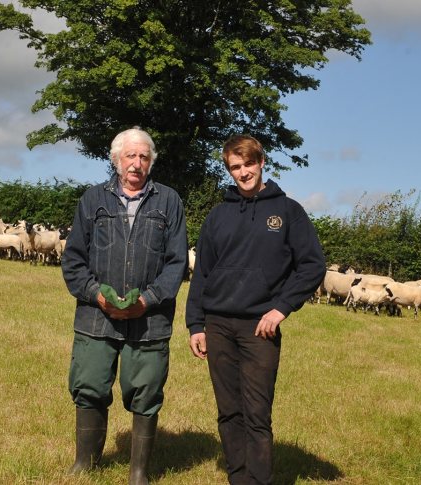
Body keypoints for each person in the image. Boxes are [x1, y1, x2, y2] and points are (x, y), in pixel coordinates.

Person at [185, 135, 325, 484]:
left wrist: (280, 309)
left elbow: (312, 265)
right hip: (217, 324)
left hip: (260, 328)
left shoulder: (288, 211)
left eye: (249, 163)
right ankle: (238, 477)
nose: (243, 172)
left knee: (257, 412)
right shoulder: (218, 216)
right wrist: (195, 324)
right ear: (229, 170)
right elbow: (202, 273)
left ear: (262, 162)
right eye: (235, 166)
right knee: (229, 412)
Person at [61, 127, 187, 485]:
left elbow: (177, 263)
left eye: (144, 157)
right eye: (130, 156)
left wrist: (148, 300)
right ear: (116, 160)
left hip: (149, 321)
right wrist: (94, 293)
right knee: (89, 384)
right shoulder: (92, 200)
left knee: (145, 390)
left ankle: (138, 472)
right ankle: (85, 464)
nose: (136, 163)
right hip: (95, 318)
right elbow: (73, 259)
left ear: (150, 163)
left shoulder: (169, 202)